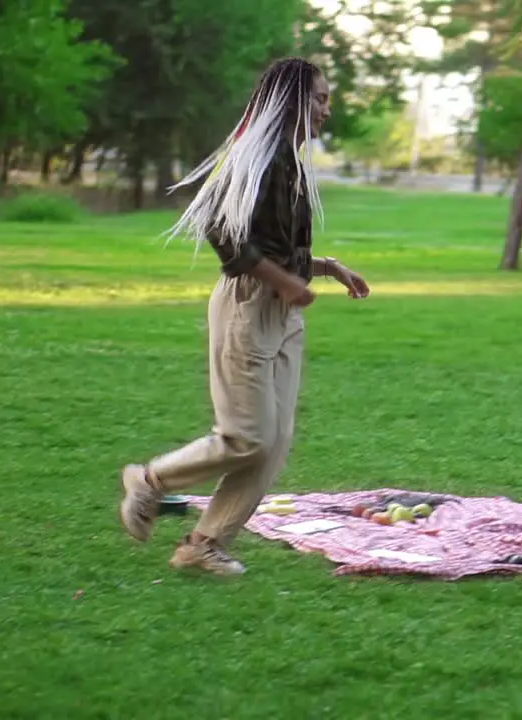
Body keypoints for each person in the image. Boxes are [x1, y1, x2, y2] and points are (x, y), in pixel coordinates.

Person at [117, 57, 370, 576]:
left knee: (272, 446)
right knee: (246, 437)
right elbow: (225, 236)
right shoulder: (253, 159)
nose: (327, 108)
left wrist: (326, 268)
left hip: (282, 315)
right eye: (320, 98)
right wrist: (284, 283)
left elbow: (278, 247)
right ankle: (149, 481)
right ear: (292, 101)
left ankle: (202, 544)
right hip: (248, 308)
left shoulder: (289, 162)